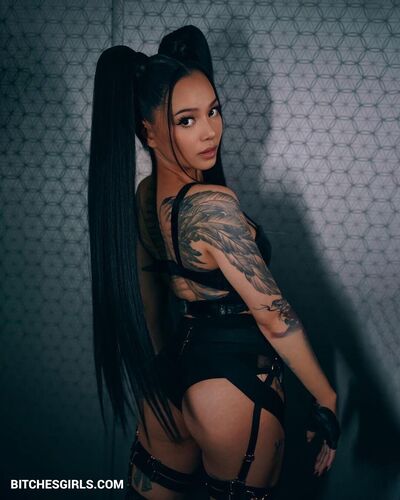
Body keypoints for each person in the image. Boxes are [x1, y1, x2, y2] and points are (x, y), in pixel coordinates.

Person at [87, 25, 340, 500]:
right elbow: (273, 316)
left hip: (169, 378)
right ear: (148, 131)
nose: (210, 131)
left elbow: (148, 305)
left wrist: (165, 375)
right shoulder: (210, 205)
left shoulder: (143, 198)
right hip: (231, 385)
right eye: (186, 120)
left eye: (213, 111)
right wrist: (326, 397)